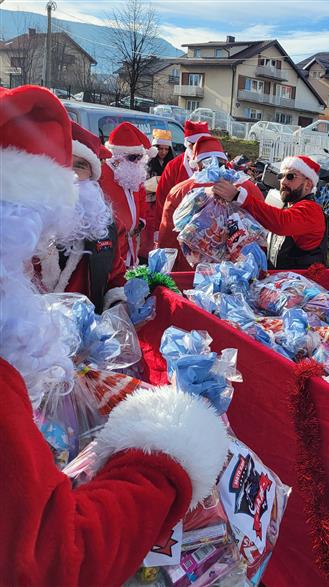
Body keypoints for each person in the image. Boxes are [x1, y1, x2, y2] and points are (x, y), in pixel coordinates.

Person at [0, 84, 228, 585]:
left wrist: (123, 298)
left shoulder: (105, 214)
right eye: (71, 170)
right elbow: (53, 556)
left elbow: (123, 256)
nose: (79, 179)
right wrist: (167, 447)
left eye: (83, 171)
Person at [30, 121, 125, 312]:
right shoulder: (14, 220)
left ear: (92, 175)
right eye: (60, 163)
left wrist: (118, 306)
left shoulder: (107, 227)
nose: (70, 175)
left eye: (79, 166)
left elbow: (115, 277)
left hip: (86, 334)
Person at [158, 135, 265, 271]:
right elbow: (263, 228)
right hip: (241, 270)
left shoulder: (181, 190)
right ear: (225, 161)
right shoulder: (249, 188)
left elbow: (168, 237)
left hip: (193, 271)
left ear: (197, 164)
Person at [217, 154, 328, 270]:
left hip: (305, 285)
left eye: (290, 176)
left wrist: (239, 197)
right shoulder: (289, 207)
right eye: (281, 176)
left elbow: (282, 223)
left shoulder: (311, 210)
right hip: (284, 283)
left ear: (308, 184)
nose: (283, 182)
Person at [100, 122, 154, 267]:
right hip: (112, 243)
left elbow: (141, 198)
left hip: (131, 242)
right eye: (133, 157)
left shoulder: (133, 174)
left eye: (139, 157)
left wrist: (141, 221)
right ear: (117, 156)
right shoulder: (102, 173)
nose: (137, 162)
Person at [154, 120, 211, 237]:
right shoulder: (174, 166)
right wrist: (162, 228)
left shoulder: (219, 164)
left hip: (210, 230)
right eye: (194, 145)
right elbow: (163, 198)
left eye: (203, 144)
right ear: (187, 144)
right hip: (178, 228)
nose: (198, 148)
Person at [141, 128, 175, 258]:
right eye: (160, 148)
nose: (163, 152)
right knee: (148, 234)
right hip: (149, 203)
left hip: (165, 202)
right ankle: (145, 256)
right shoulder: (146, 162)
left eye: (166, 149)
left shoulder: (171, 163)